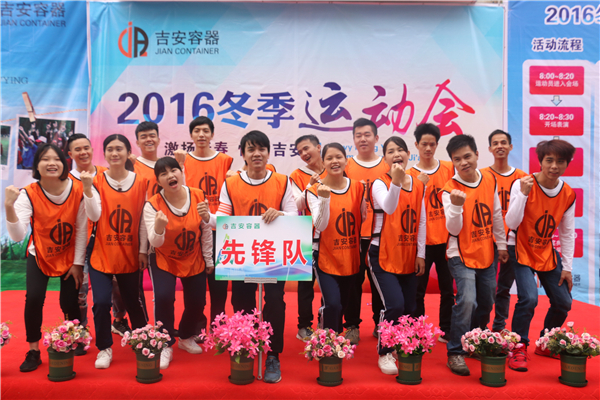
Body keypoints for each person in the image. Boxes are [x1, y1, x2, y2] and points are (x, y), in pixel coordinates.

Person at [206, 130, 298, 383]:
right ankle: (246, 346)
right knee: (241, 301)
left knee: (275, 301)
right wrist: (206, 216)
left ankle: (273, 354)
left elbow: (294, 214)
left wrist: (281, 214)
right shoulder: (231, 184)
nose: (257, 154)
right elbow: (222, 219)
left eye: (261, 149)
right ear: (243, 155)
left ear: (268, 153)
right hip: (242, 255)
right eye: (251, 149)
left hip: (273, 254)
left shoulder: (282, 181)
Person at [4, 144, 95, 371]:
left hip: (69, 255)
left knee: (69, 301)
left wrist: (77, 264)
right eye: (45, 159)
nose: (51, 163)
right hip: (40, 253)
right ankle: (33, 350)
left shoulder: (77, 189)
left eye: (56, 159)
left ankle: (73, 339)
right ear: (37, 165)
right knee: (34, 298)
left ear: (64, 164)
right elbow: (17, 236)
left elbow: (82, 229)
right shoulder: (28, 193)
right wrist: (8, 206)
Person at [505, 140, 576, 372]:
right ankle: (518, 347)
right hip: (520, 247)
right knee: (529, 299)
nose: (554, 166)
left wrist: (567, 267)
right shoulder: (522, 183)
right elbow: (511, 222)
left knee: (564, 302)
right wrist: (523, 195)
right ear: (540, 161)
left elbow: (567, 233)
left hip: (545, 250)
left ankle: (546, 343)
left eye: (560, 161)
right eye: (549, 160)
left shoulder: (567, 194)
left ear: (567, 164)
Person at [441, 134, 508, 376]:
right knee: (467, 300)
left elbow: (496, 213)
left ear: (477, 154)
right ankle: (455, 351)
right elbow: (453, 229)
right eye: (457, 159)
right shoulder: (449, 189)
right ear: (452, 162)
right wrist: (456, 205)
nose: (463, 162)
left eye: (467, 156)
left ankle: (474, 340)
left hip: (486, 251)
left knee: (487, 300)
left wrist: (502, 244)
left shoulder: (490, 179)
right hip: (459, 253)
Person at [86, 134, 149, 369]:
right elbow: (93, 216)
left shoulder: (141, 182)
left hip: (130, 253)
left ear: (128, 153)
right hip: (101, 252)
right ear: (104, 153)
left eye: (119, 149)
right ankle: (104, 348)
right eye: (110, 149)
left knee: (133, 301)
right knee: (101, 302)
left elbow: (142, 219)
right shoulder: (95, 181)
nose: (114, 153)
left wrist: (143, 250)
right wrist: (87, 189)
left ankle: (145, 341)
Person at [144, 157, 213, 369]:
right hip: (164, 257)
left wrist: (208, 259)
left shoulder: (198, 195)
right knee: (164, 297)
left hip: (193, 256)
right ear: (158, 181)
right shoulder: (152, 204)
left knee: (197, 301)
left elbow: (206, 230)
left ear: (181, 172)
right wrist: (158, 227)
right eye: (163, 174)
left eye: (173, 170)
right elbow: (155, 242)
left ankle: (185, 336)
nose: (170, 176)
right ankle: (165, 343)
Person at [369, 137, 426, 374]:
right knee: (394, 305)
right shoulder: (380, 183)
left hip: (407, 253)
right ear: (384, 158)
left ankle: (402, 346)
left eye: (400, 150)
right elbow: (390, 207)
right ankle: (384, 353)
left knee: (410, 306)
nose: (396, 154)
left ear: (409, 154)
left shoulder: (419, 184)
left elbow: (421, 221)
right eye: (390, 151)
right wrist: (396, 181)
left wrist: (421, 254)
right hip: (382, 253)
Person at [174, 116, 233, 335]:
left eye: (206, 131)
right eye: (197, 131)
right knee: (195, 286)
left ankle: (218, 328)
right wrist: (179, 165)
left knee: (219, 284)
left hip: (219, 228)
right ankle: (197, 327)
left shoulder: (225, 160)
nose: (201, 135)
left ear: (212, 134)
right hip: (193, 230)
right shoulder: (182, 161)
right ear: (191, 135)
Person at [306, 143, 365, 336]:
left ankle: (334, 336)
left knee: (343, 303)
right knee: (333, 303)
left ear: (346, 160)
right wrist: (324, 199)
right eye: (329, 158)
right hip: (325, 256)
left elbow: (362, 216)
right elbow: (320, 225)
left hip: (350, 255)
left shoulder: (358, 187)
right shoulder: (314, 191)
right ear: (323, 163)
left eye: (338, 157)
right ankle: (327, 340)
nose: (335, 161)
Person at [408, 123, 455, 342]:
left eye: (432, 144)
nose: (428, 148)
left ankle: (446, 328)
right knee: (418, 290)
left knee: (448, 290)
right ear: (416, 145)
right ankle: (418, 330)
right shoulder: (410, 175)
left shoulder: (449, 168)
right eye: (424, 144)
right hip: (422, 244)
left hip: (446, 241)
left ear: (437, 145)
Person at [343, 118, 388, 343]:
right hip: (353, 235)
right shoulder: (346, 166)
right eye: (358, 135)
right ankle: (352, 325)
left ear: (376, 138)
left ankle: (381, 324)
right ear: (353, 139)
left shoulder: (386, 165)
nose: (363, 139)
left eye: (367, 134)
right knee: (353, 283)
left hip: (380, 235)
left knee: (380, 282)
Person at [478, 130, 527, 332]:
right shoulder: (482, 175)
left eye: (504, 142)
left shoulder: (522, 177)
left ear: (510, 147)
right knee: (486, 288)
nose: (500, 146)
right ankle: (478, 328)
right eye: (495, 143)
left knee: (504, 287)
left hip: (512, 240)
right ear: (489, 148)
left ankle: (499, 326)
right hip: (486, 240)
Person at [67, 134, 108, 328]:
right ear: (70, 154)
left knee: (114, 287)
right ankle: (80, 329)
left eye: (86, 148)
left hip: (106, 242)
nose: (83, 152)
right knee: (80, 290)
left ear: (92, 149)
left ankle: (118, 320)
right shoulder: (66, 180)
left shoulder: (106, 174)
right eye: (78, 149)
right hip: (79, 244)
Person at [289, 134, 326, 340]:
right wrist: (309, 187)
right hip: (305, 236)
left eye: (306, 148)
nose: (303, 154)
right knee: (305, 286)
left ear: (318, 147)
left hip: (329, 235)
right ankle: (304, 326)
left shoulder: (333, 168)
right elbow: (295, 205)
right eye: (300, 151)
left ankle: (325, 321)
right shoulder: (296, 175)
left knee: (329, 284)